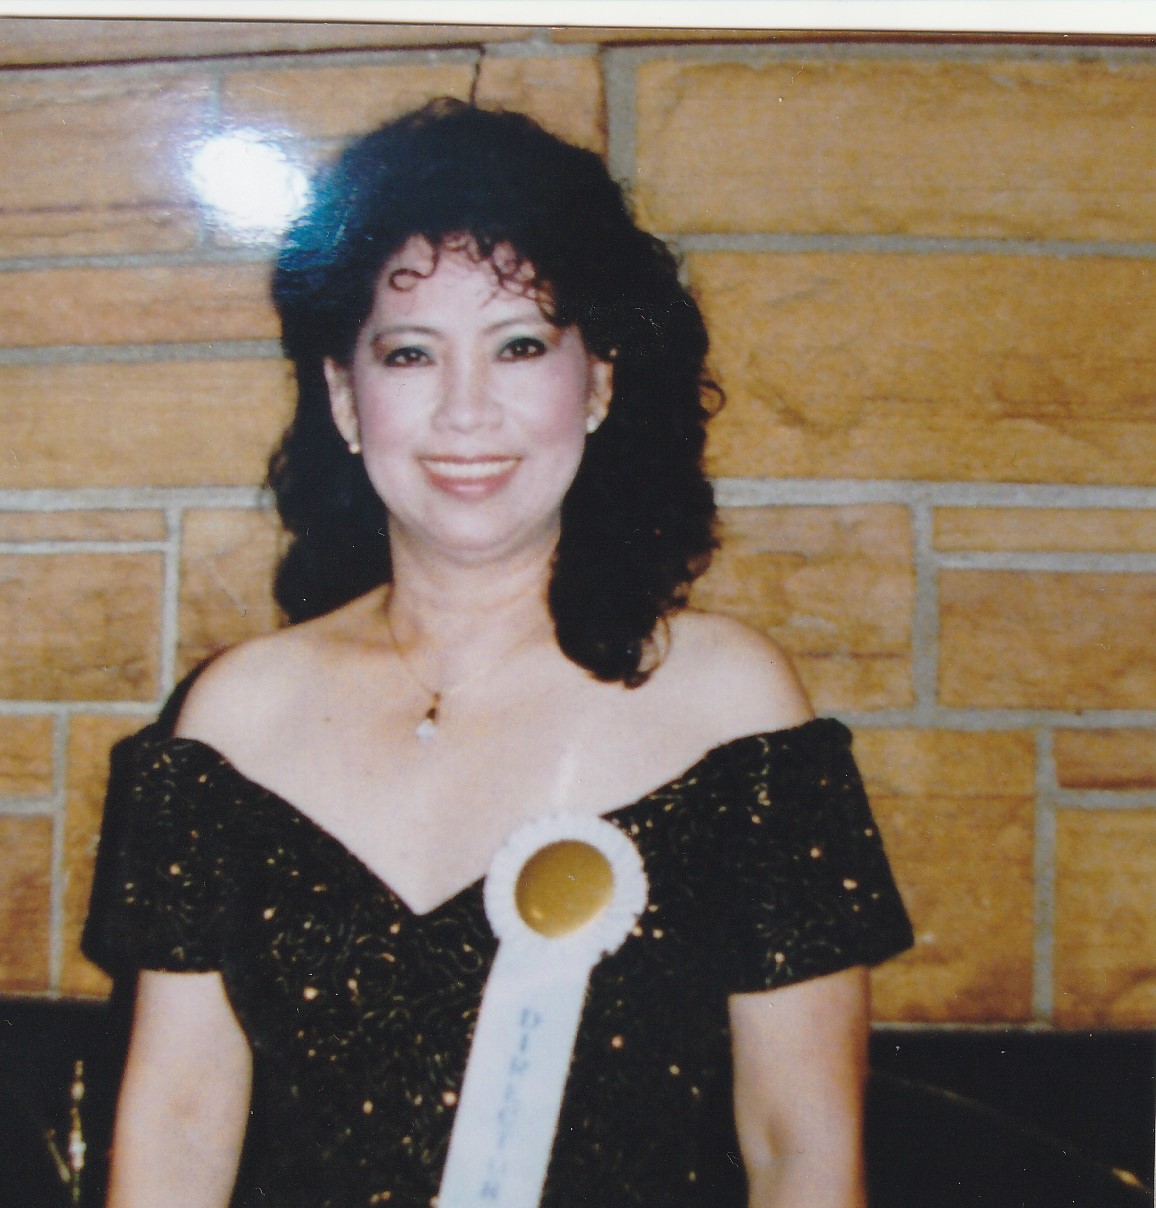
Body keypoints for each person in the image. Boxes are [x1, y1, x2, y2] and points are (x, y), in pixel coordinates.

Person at [84, 98, 913, 1208]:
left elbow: (798, 1148)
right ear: (345, 397)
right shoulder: (234, 718)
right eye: (411, 353)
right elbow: (177, 1132)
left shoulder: (734, 709)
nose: (465, 412)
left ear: (599, 379)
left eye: (519, 345)